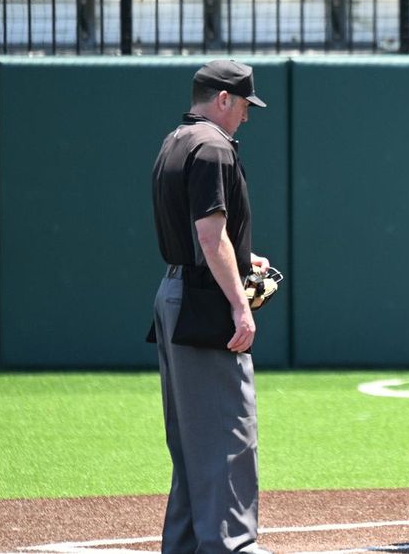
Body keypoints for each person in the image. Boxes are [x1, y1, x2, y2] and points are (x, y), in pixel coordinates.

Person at [149, 59, 273, 554]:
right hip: (202, 301)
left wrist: (242, 258)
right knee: (227, 438)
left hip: (175, 293)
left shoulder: (176, 140)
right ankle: (232, 548)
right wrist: (239, 305)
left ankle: (183, 547)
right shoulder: (214, 146)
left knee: (192, 445)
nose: (246, 115)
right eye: (243, 104)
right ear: (223, 98)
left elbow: (199, 235)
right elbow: (208, 233)